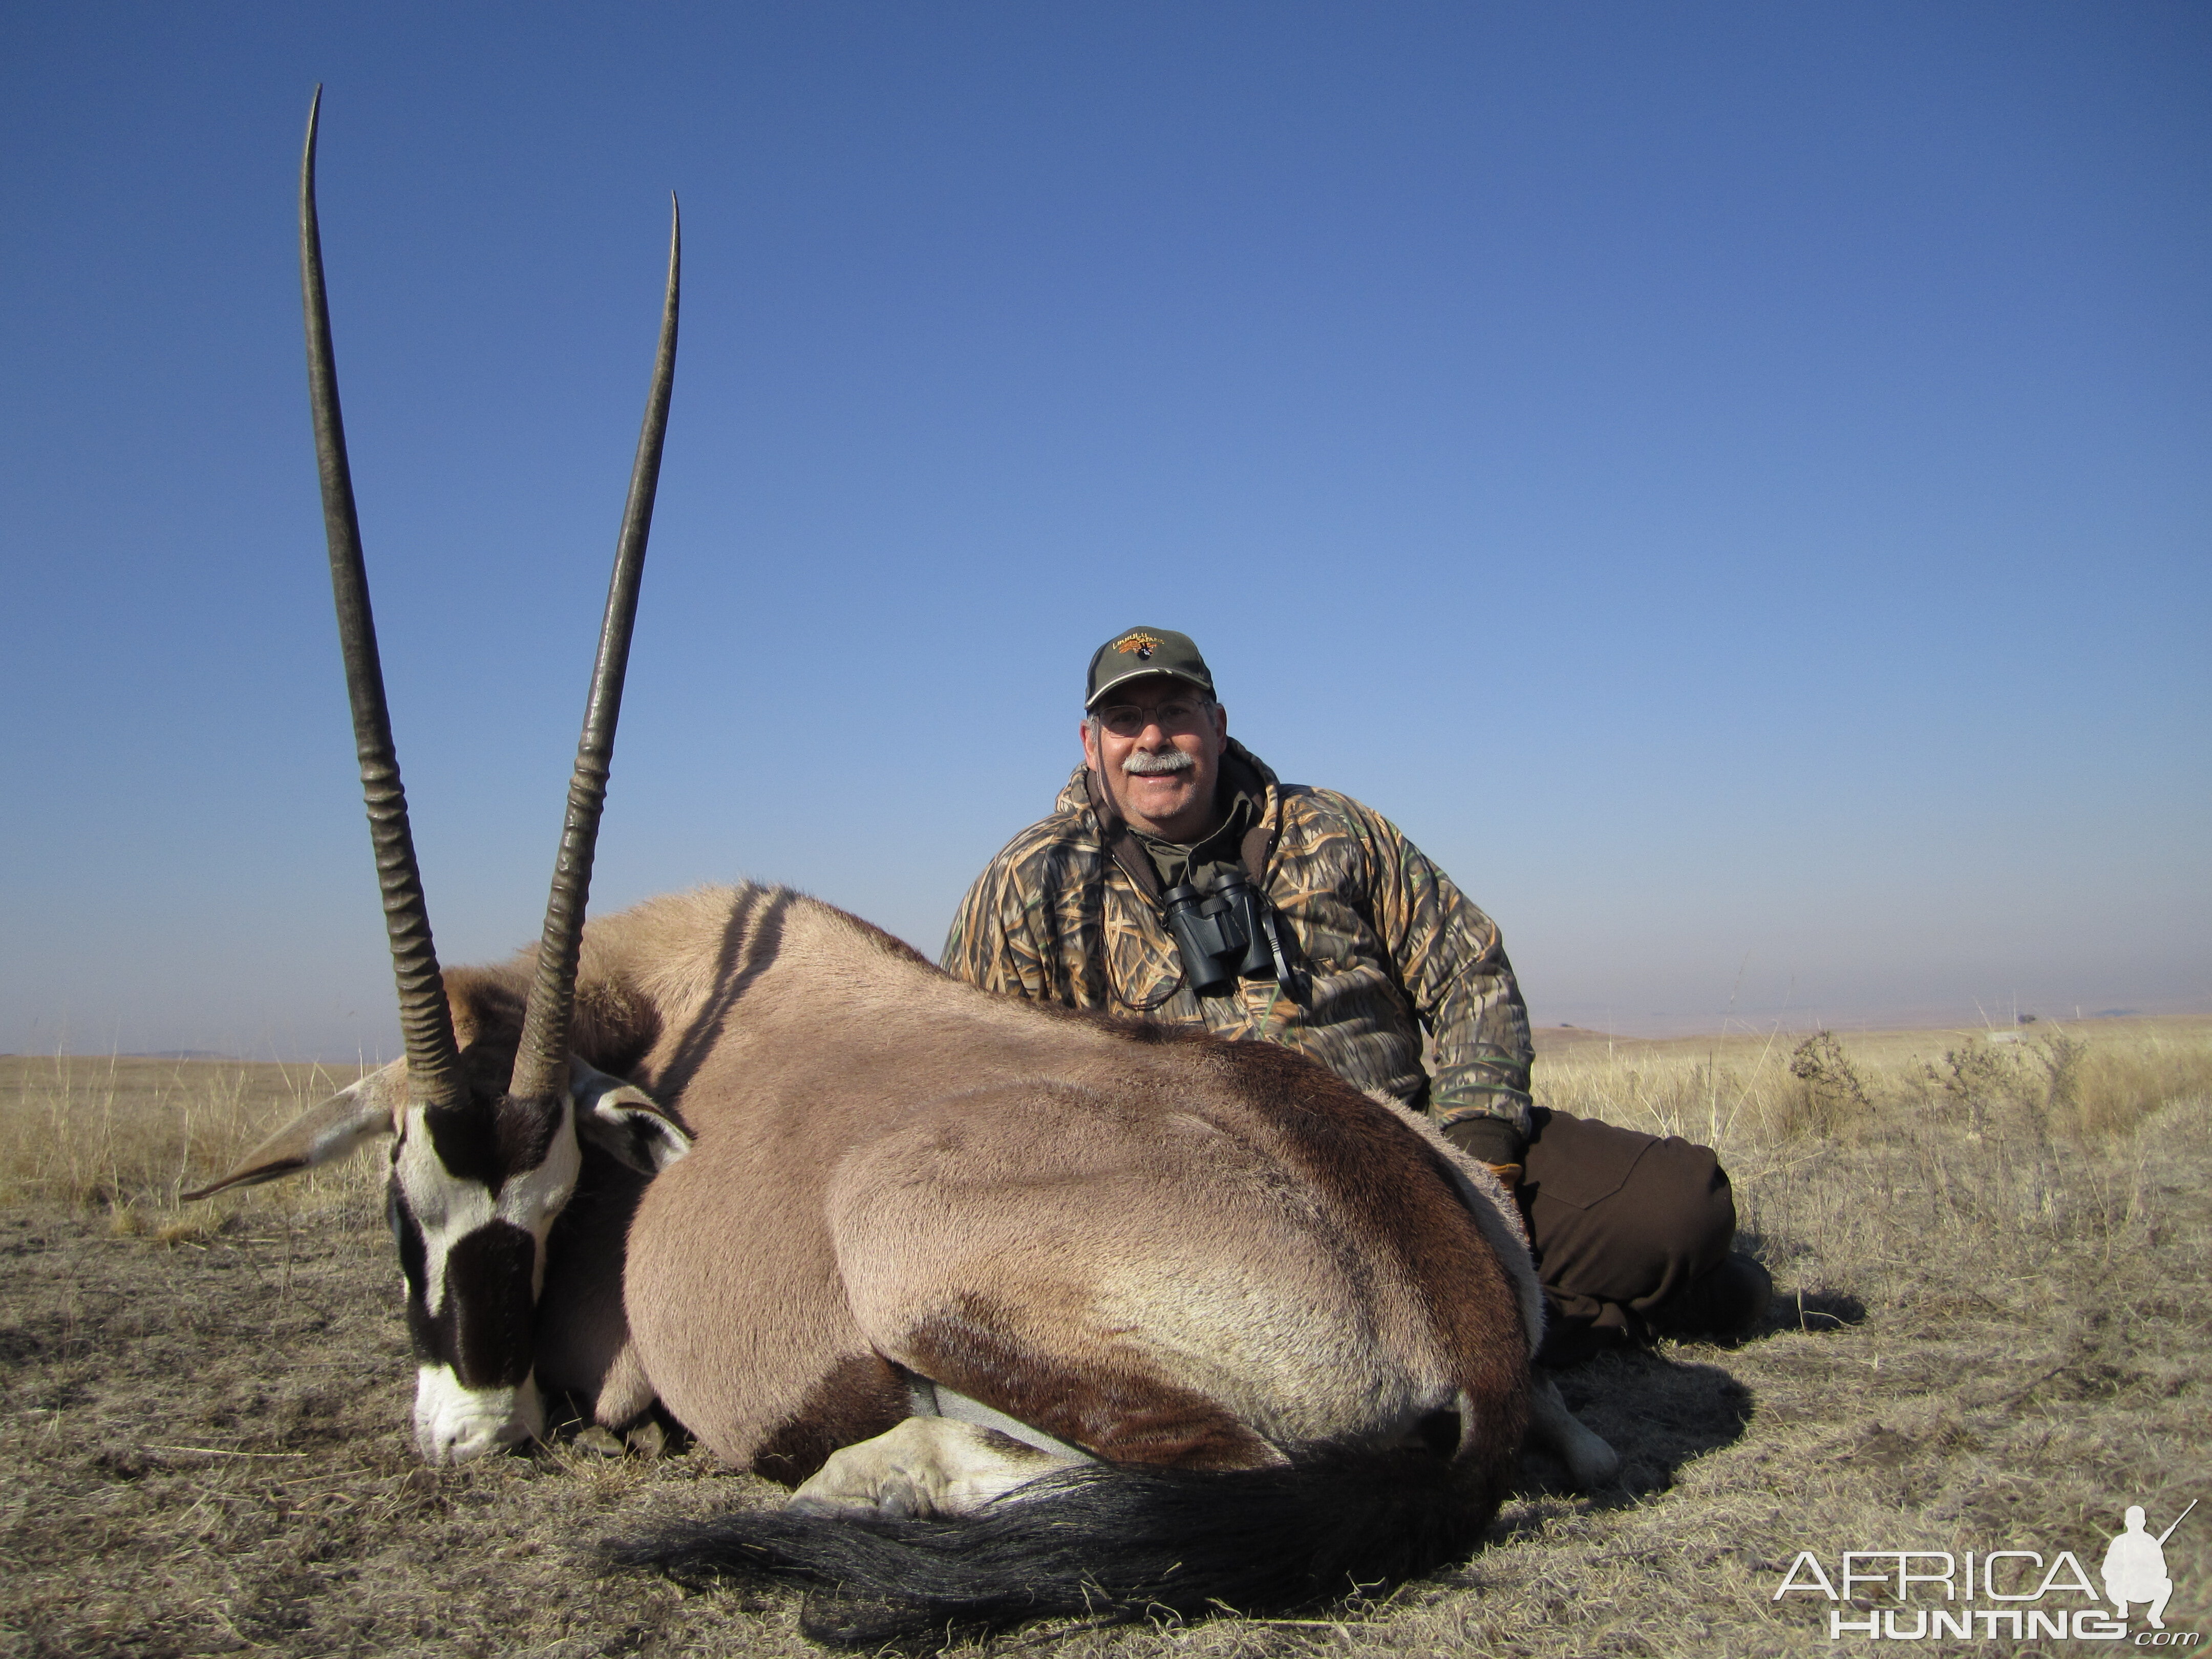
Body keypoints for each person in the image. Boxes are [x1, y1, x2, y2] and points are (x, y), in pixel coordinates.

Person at [942, 625, 1771, 1366]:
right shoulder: (1031, 883)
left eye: (1178, 711)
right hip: (1200, 1215)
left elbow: (1469, 968)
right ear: (1091, 743)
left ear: (1218, 725)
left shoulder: (1336, 829)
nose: (1153, 738)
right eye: (1127, 721)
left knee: (1683, 1209)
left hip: (1419, 1154)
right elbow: (968, 1079)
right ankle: (1546, 1331)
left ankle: (1511, 1318)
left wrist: (1481, 1159)